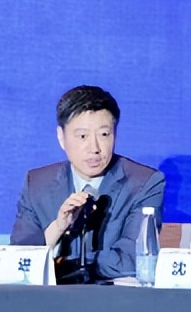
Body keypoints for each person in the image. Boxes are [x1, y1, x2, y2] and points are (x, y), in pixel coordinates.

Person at [10, 85, 165, 284]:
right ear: (61, 137)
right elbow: (18, 258)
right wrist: (57, 228)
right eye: (82, 136)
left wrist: (63, 265)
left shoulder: (144, 183)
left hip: (113, 299)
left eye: (104, 134)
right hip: (48, 299)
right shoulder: (37, 184)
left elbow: (132, 259)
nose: (94, 148)